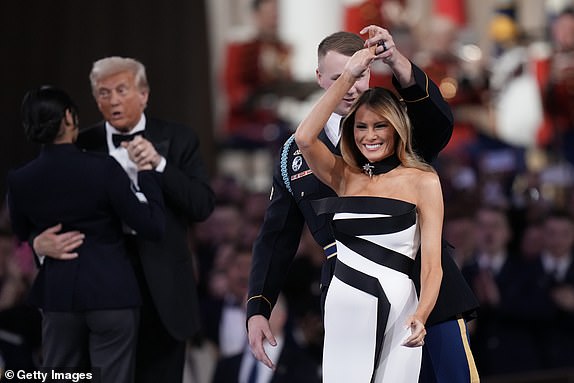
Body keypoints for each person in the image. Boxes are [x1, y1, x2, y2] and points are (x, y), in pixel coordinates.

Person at [247, 26, 479, 382]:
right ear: (320, 79)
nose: (352, 85)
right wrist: (258, 306)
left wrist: (396, 61)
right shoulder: (296, 154)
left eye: (359, 74)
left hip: (424, 291)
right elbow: (277, 235)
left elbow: (439, 122)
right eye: (340, 76)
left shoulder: (397, 127)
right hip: (351, 297)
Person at [31, 57, 215, 383]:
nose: (113, 100)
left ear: (143, 95)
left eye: (121, 90)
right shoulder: (79, 146)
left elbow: (201, 206)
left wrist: (159, 165)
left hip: (164, 294)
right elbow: (43, 204)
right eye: (103, 93)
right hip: (97, 290)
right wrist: (38, 243)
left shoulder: (179, 138)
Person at [293, 44, 443, 382]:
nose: (370, 136)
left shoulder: (423, 181)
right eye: (361, 127)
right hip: (346, 304)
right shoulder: (344, 176)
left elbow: (432, 264)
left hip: (403, 306)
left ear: (395, 128)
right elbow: (304, 137)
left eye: (380, 126)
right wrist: (347, 77)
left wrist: (422, 313)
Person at [6, 86, 166, 382]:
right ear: (69, 117)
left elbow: (20, 233)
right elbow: (151, 226)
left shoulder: (20, 179)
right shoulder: (104, 169)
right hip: (111, 294)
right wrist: (146, 172)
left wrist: (38, 244)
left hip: (57, 297)